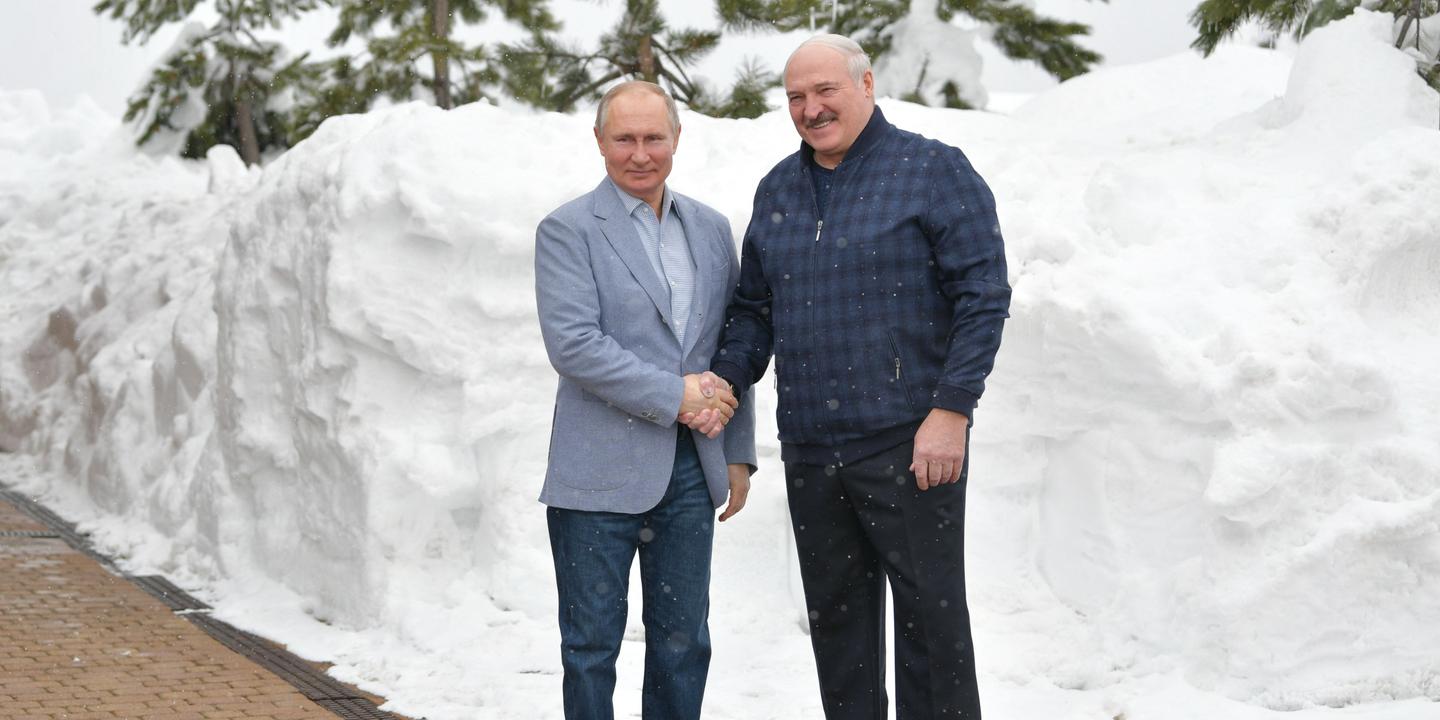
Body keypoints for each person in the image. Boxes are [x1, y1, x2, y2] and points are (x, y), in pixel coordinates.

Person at [708, 35, 1011, 719]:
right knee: (838, 631)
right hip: (814, 450)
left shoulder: (933, 170)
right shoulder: (779, 188)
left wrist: (952, 409)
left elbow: (983, 295)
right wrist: (724, 381)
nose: (810, 109)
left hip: (908, 443)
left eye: (824, 92)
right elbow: (755, 312)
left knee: (930, 629)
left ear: (866, 84)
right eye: (795, 98)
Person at [533, 80, 757, 720]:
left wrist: (736, 452)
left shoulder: (712, 230)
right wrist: (676, 395)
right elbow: (574, 345)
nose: (640, 153)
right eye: (624, 138)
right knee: (590, 648)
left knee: (684, 646)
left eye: (653, 137)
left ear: (677, 139)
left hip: (691, 470)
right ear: (600, 141)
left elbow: (730, 346)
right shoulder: (568, 229)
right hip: (596, 476)